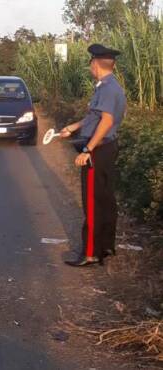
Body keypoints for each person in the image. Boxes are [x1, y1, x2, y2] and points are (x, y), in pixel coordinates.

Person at [59, 44, 127, 267]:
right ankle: (106, 247)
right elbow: (95, 117)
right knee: (106, 199)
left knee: (93, 202)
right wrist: (74, 127)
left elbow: (106, 122)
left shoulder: (107, 89)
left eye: (91, 62)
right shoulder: (107, 86)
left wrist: (88, 150)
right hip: (105, 147)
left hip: (98, 149)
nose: (90, 66)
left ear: (95, 64)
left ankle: (90, 252)